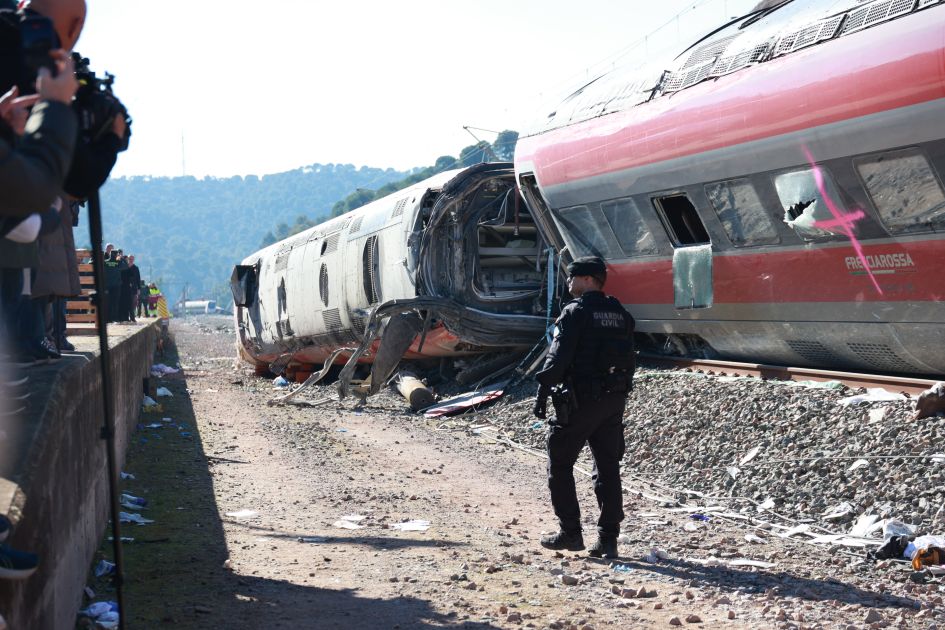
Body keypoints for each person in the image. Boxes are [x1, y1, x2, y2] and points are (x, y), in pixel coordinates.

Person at [534, 256, 635, 560]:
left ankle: (571, 532)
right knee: (607, 467)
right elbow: (631, 359)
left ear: (589, 279)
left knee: (560, 462)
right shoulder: (620, 313)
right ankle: (608, 539)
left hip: (581, 401)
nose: (568, 282)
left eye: (573, 276)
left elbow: (557, 360)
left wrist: (542, 389)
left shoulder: (575, 313)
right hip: (614, 401)